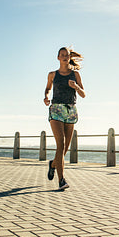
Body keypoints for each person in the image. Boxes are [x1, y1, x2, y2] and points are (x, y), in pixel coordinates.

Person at [44, 47, 86, 190]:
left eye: (66, 55)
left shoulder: (75, 75)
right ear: (58, 58)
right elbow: (48, 88)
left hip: (70, 110)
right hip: (56, 109)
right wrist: (46, 97)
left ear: (69, 57)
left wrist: (75, 87)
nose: (64, 57)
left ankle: (53, 164)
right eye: (62, 55)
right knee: (60, 145)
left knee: (65, 149)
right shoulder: (52, 74)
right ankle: (61, 180)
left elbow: (83, 94)